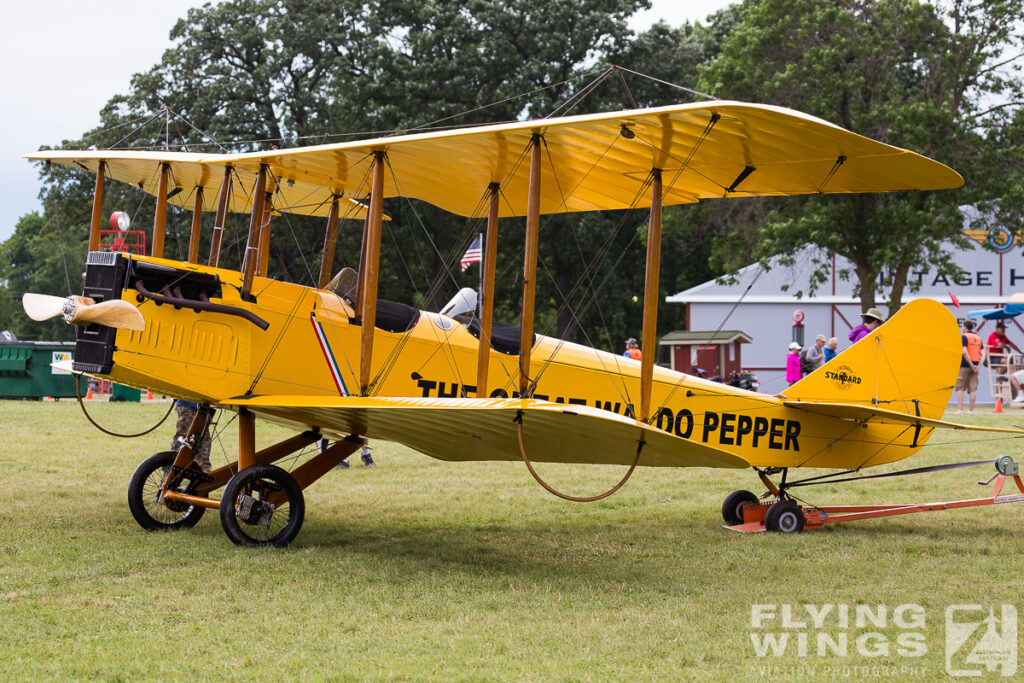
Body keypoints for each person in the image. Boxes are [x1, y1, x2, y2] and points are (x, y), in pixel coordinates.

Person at [171, 399, 212, 472]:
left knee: (202, 438)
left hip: (200, 403)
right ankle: (169, 469)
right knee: (185, 436)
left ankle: (202, 470)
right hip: (190, 403)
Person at [954, 319, 986, 414]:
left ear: (964, 327)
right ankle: (970, 411)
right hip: (976, 366)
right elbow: (983, 354)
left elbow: (964, 352)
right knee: (973, 389)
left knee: (959, 387)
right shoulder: (979, 338)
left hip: (965, 365)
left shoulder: (964, 336)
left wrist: (971, 364)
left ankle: (960, 409)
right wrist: (977, 366)